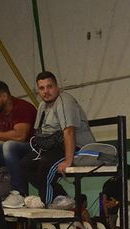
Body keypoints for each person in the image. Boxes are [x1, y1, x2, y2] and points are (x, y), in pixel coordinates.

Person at [21, 71, 96, 209]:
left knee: (45, 163)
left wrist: (68, 160)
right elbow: (39, 132)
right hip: (55, 147)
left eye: (49, 86)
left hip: (77, 147)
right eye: (42, 88)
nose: (46, 91)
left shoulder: (65, 102)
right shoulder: (42, 106)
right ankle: (59, 196)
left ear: (57, 87)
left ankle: (46, 201)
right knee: (26, 163)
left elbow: (69, 131)